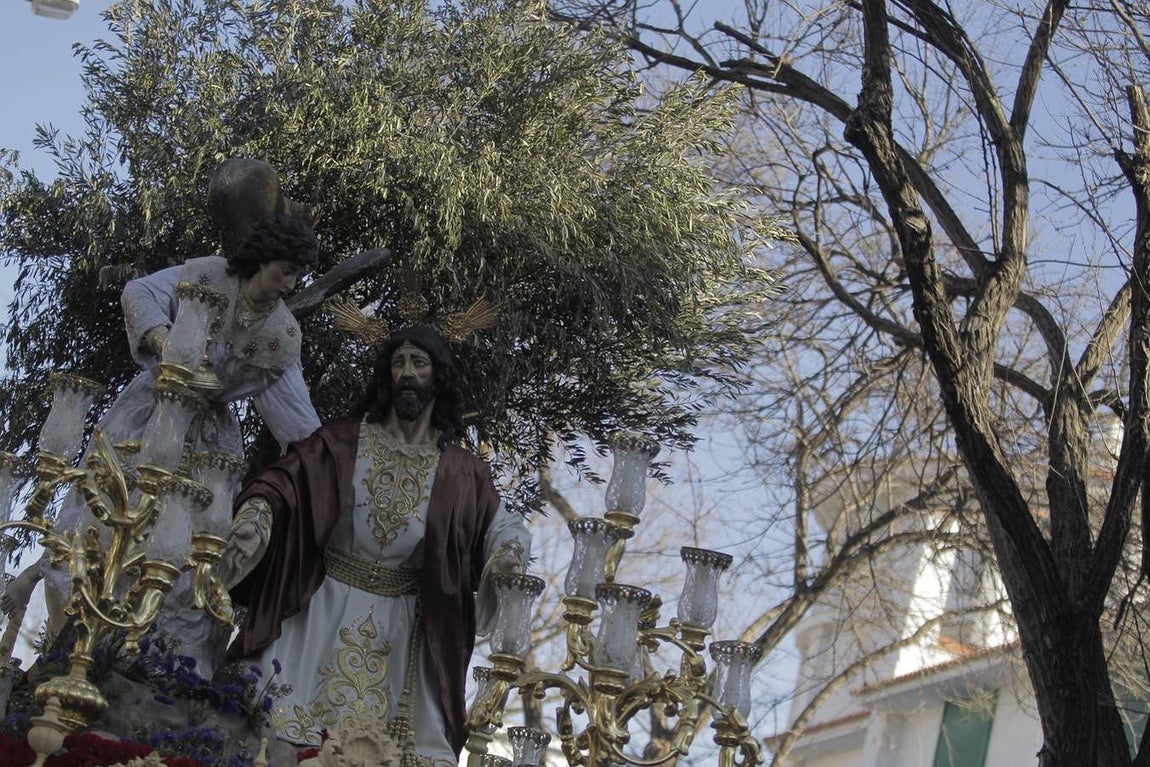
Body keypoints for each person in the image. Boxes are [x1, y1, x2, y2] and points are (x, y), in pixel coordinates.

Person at [5, 160, 324, 676]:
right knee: (104, 522)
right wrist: (165, 346)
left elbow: (293, 413)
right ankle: (82, 641)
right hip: (149, 414)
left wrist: (328, 454)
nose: (291, 284)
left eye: (298, 277)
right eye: (287, 271)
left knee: (182, 553)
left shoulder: (282, 336)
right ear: (265, 258)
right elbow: (140, 292)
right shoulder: (205, 275)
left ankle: (155, 663)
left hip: (207, 441)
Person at [224, 325, 530, 766]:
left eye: (418, 363)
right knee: (275, 739)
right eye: (398, 363)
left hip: (402, 627)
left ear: (438, 377)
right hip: (318, 612)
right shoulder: (343, 441)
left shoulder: (462, 471)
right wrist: (258, 514)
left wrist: (506, 556)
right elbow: (286, 479)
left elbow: (504, 524)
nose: (406, 373)